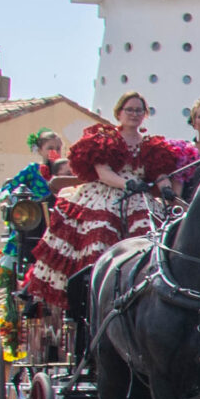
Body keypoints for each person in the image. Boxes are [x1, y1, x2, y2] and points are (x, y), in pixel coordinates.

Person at [27, 92, 179, 315]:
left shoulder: (152, 145)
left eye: (139, 110)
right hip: (106, 195)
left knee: (155, 237)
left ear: (145, 114)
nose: (134, 114)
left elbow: (160, 173)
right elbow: (104, 173)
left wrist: (165, 188)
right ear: (119, 113)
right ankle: (92, 294)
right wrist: (127, 184)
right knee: (99, 233)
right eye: (129, 110)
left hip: (140, 199)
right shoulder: (105, 140)